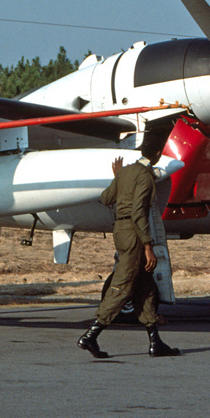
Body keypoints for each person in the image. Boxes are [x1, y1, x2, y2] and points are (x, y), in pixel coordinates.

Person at [78, 131, 179, 359]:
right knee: (123, 285)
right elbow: (138, 213)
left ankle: (155, 342)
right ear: (155, 154)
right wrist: (147, 245)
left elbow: (106, 198)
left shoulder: (125, 172)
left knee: (145, 286)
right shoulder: (144, 176)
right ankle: (90, 336)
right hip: (134, 234)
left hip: (121, 232)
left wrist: (118, 178)